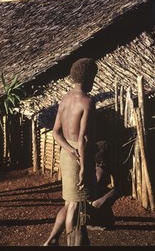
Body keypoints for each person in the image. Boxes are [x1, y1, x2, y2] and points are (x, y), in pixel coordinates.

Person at [43, 58, 99, 246]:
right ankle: (72, 243)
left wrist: (69, 150)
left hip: (66, 154)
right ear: (90, 78)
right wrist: (83, 164)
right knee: (75, 205)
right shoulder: (87, 102)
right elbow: (83, 138)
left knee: (71, 203)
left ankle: (54, 240)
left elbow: (55, 133)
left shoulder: (65, 99)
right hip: (79, 155)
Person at [43, 140, 119, 245]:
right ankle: (58, 238)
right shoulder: (99, 171)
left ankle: (55, 238)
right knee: (73, 204)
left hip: (72, 154)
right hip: (79, 158)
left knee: (72, 203)